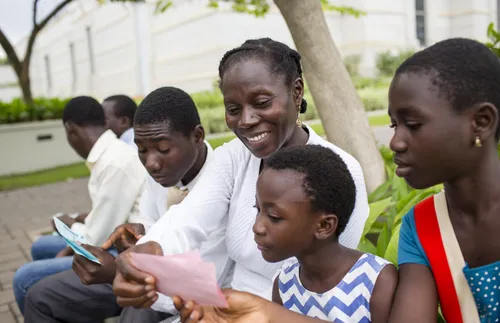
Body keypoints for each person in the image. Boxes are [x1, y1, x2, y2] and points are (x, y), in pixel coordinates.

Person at [111, 38, 369, 309]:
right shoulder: (234, 158)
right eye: (233, 109)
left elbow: (333, 285)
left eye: (261, 102)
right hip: (228, 309)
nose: (246, 120)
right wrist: (146, 255)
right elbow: (186, 220)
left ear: (296, 91)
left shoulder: (340, 172)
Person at [22, 87, 234, 323]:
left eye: (163, 149)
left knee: (134, 315)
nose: (151, 163)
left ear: (197, 136)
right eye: (142, 150)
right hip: (139, 272)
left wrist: (118, 271)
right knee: (39, 296)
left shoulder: (221, 184)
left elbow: (202, 284)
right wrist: (135, 238)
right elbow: (148, 222)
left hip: (176, 293)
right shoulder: (162, 174)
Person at [174, 145, 397, 323]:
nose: (257, 227)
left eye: (274, 217)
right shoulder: (285, 283)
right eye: (258, 210)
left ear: (324, 226)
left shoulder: (376, 280)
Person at [384, 38, 500, 322]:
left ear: (481, 122)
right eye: (394, 125)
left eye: (412, 125)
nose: (395, 142)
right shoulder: (421, 227)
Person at [13, 96, 146, 313]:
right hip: (111, 241)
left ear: (71, 129)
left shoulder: (116, 163)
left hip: (121, 253)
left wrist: (69, 225)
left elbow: (95, 239)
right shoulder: (109, 156)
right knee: (41, 246)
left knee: (24, 278)